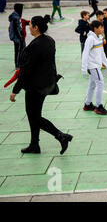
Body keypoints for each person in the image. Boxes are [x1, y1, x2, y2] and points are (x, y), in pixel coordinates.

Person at [10, 15, 73, 154]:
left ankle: (61, 136)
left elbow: (26, 70)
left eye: (30, 25)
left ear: (36, 27)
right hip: (45, 84)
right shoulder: (49, 40)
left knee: (34, 116)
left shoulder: (35, 46)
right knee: (35, 114)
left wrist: (15, 89)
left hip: (34, 86)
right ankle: (34, 144)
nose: (29, 27)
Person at [81, 20, 107, 115]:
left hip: (97, 65)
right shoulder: (90, 39)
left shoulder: (100, 37)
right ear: (95, 28)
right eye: (100, 27)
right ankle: (99, 106)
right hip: (92, 66)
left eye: (102, 27)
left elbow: (102, 53)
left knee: (92, 85)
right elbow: (85, 53)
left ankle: (88, 104)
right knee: (100, 83)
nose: (102, 29)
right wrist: (84, 68)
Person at [8, 3, 25, 69]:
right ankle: (17, 65)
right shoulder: (15, 18)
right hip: (17, 37)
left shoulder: (15, 16)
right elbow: (15, 28)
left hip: (17, 36)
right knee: (18, 51)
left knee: (19, 50)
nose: (23, 9)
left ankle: (19, 63)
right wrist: (20, 37)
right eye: (22, 8)